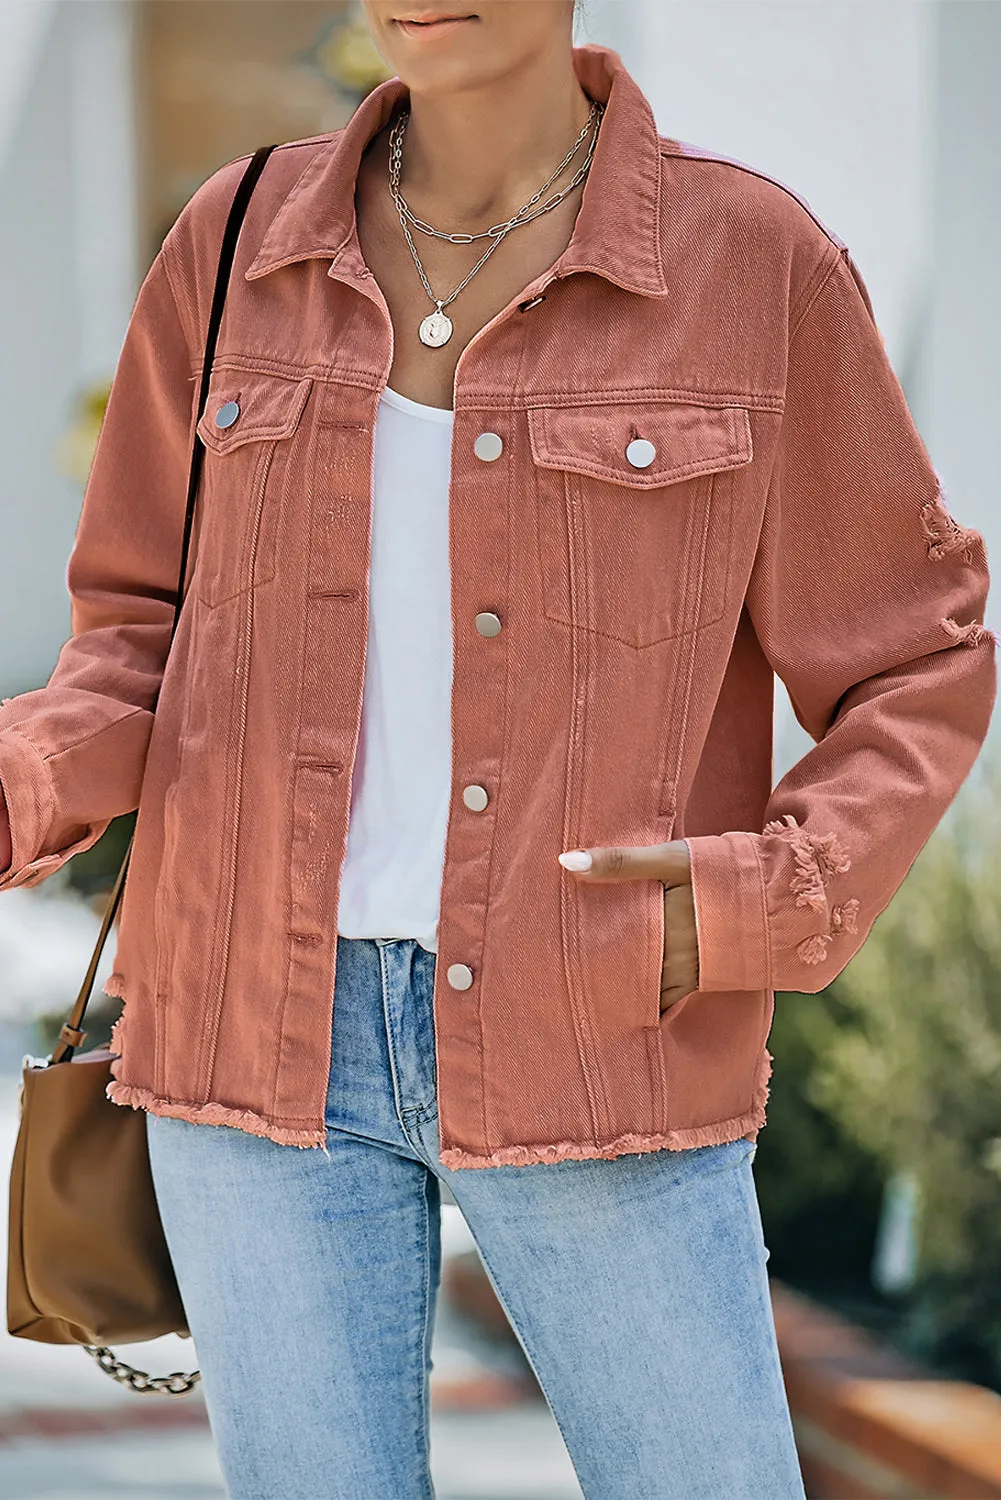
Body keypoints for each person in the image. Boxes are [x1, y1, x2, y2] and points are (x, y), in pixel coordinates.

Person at [0, 2, 994, 1496]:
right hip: (248, 1033)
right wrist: (24, 786)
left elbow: (917, 660)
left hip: (595, 1021)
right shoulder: (234, 241)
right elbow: (140, 633)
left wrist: (746, 906)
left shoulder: (752, 264)